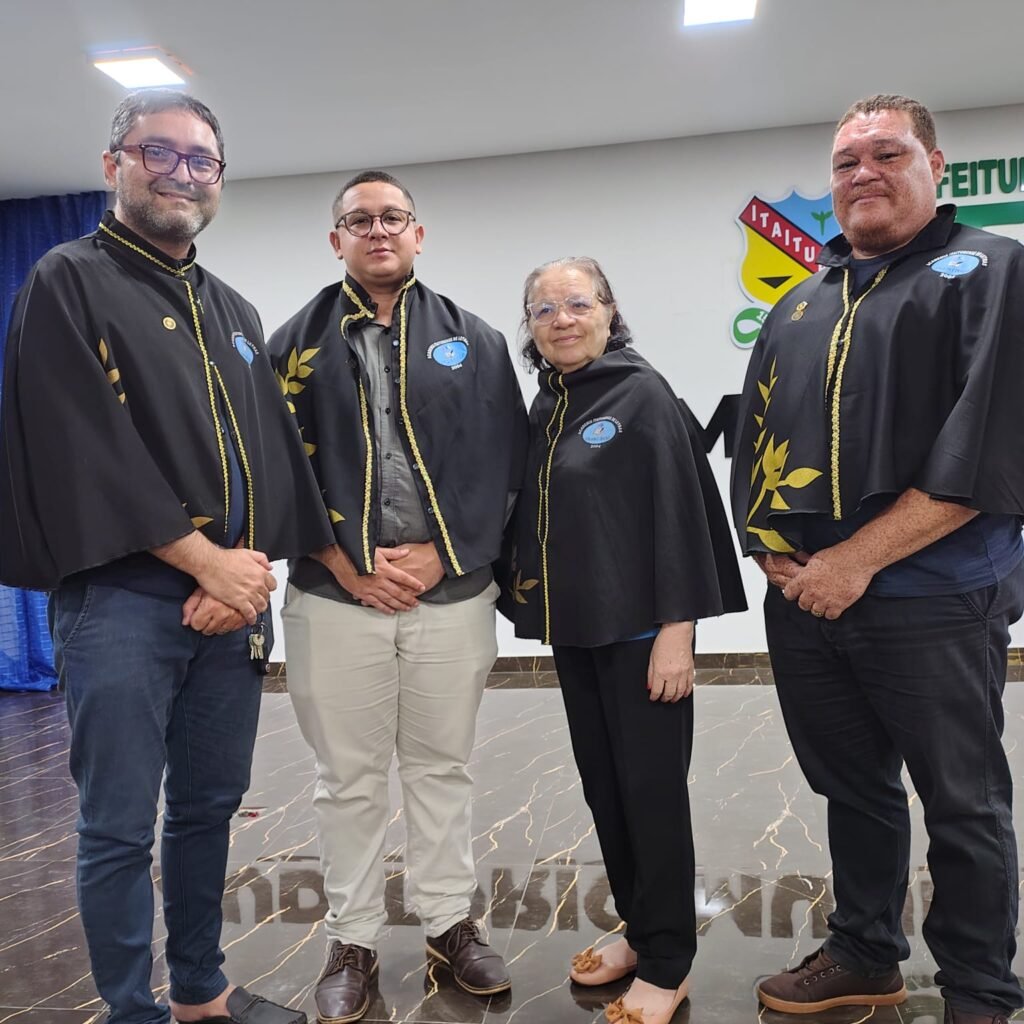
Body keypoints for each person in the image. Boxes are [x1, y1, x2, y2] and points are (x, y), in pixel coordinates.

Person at [0, 90, 334, 1024]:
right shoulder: (66, 279)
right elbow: (79, 444)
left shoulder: (232, 308)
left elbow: (268, 457)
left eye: (202, 160)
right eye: (160, 152)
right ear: (114, 164)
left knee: (206, 808)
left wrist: (247, 574)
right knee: (116, 825)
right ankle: (130, 1011)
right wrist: (205, 564)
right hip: (121, 601)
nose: (183, 173)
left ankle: (199, 992)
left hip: (229, 608)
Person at [730, 95, 1024, 1024]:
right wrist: (773, 555)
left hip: (934, 597)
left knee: (962, 803)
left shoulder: (991, 269)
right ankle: (865, 952)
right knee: (852, 788)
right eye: (846, 161)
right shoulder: (800, 301)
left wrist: (856, 560)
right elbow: (754, 441)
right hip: (810, 605)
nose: (863, 172)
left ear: (936, 165)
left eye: (887, 153)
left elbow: (987, 447)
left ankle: (979, 990)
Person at [267, 170, 527, 1024]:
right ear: (335, 240)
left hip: (450, 596)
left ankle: (450, 923)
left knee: (441, 767)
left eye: (392, 217)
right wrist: (340, 563)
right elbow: (275, 470)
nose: (377, 231)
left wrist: (443, 553)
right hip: (334, 598)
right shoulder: (290, 345)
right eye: (359, 220)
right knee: (347, 779)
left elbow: (505, 463)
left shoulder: (475, 340)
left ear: (418, 233)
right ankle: (353, 940)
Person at [501, 256, 746, 1024]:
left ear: (610, 311)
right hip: (579, 632)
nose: (562, 320)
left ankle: (669, 962)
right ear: (530, 328)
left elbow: (683, 512)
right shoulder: (551, 402)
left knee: (652, 795)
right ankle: (641, 931)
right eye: (544, 309)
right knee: (606, 789)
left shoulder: (642, 394)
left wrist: (678, 631)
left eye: (578, 303)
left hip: (643, 635)